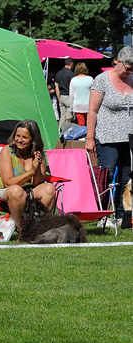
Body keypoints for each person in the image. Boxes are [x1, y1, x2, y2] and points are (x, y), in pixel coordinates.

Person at [85, 47, 133, 227]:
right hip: (107, 137)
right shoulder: (102, 80)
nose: (130, 72)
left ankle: (122, 214)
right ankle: (103, 215)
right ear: (118, 62)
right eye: (128, 68)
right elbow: (92, 111)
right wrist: (90, 138)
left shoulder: (132, 80)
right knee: (107, 176)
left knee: (126, 177)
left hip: (129, 139)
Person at [0, 120, 56, 231]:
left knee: (49, 188)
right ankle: (23, 231)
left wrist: (37, 168)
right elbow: (8, 182)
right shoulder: (7, 152)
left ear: (33, 139)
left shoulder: (38, 153)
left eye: (24, 137)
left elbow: (37, 183)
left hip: (28, 190)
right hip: (5, 191)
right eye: (17, 136)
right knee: (16, 190)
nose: (19, 140)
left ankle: (39, 228)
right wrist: (31, 172)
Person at [55, 58, 75, 133]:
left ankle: (59, 132)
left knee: (62, 117)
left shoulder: (58, 73)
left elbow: (56, 88)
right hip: (68, 96)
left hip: (61, 97)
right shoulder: (71, 74)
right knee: (69, 117)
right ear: (71, 64)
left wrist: (59, 98)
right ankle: (67, 133)